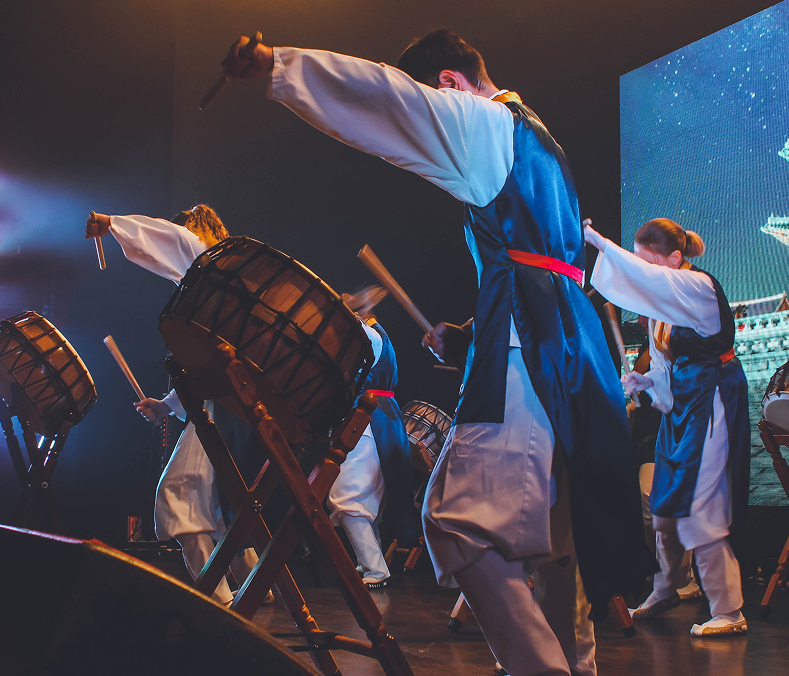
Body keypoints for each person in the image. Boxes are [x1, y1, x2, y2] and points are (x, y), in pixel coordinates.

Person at [220, 29, 651, 675]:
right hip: (564, 338)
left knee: (456, 523)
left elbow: (389, 101)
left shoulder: (485, 117)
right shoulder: (538, 139)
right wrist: (470, 334)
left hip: (532, 340)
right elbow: (536, 265)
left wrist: (279, 65)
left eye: (434, 95)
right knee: (561, 538)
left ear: (448, 83)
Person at [85, 205, 264, 606]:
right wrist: (166, 406)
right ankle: (254, 582)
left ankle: (217, 596)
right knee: (215, 503)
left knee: (179, 497)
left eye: (186, 226)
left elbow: (173, 238)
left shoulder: (204, 260)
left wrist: (113, 224)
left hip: (219, 407)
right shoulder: (220, 282)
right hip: (225, 403)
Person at [585, 219, 750, 637]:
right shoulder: (662, 314)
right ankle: (667, 587)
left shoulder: (699, 287)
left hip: (712, 399)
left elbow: (647, 280)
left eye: (649, 260)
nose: (644, 270)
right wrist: (646, 382)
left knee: (702, 506)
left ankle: (729, 609)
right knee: (664, 504)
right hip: (681, 407)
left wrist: (600, 243)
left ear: (675, 259)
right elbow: (665, 366)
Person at [330, 286, 415, 589]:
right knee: (360, 498)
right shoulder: (374, 333)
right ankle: (370, 564)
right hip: (376, 419)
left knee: (348, 497)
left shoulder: (367, 335)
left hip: (367, 420)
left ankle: (376, 570)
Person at [628, 317, 703, 606]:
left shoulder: (675, 347)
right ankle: (663, 573)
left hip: (671, 432)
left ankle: (683, 579)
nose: (637, 319)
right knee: (649, 507)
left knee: (664, 504)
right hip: (649, 435)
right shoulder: (650, 349)